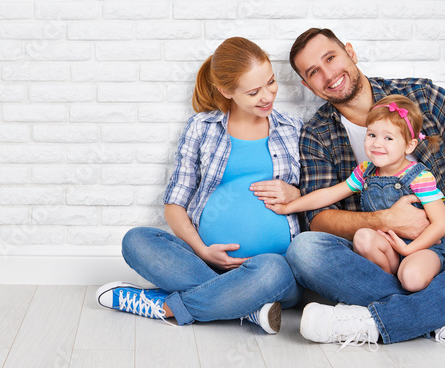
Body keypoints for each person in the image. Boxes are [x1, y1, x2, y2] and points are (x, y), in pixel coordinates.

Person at [284, 28, 445, 349]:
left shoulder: (422, 97)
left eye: (331, 57)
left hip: (442, 255)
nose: (328, 74)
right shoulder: (316, 134)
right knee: (304, 250)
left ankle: (371, 322)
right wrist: (385, 220)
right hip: (376, 263)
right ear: (309, 86)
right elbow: (319, 218)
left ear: (350, 52)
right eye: (313, 72)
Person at [96, 37, 303, 333]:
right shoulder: (202, 128)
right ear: (226, 91)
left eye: (271, 82)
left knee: (273, 270)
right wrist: (202, 251)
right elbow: (174, 205)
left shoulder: (292, 128)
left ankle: (169, 308)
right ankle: (247, 306)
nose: (267, 95)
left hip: (274, 271)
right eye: (254, 91)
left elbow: (316, 197)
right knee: (136, 240)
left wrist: (295, 194)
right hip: (204, 264)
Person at [272, 95, 445, 293]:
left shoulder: (419, 176)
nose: (377, 144)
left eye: (388, 138)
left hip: (421, 247)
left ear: (409, 145)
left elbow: (442, 223)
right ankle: (389, 290)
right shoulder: (365, 171)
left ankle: (397, 291)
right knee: (363, 237)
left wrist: (408, 249)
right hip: (387, 248)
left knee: (412, 279)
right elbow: (328, 195)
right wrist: (289, 207)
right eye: (372, 135)